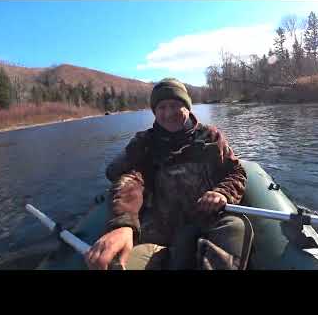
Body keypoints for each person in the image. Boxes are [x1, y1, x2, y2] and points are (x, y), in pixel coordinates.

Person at [85, 78, 253, 270]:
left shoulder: (211, 137)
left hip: (207, 218)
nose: (168, 113)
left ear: (187, 107)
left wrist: (222, 192)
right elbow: (131, 180)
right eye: (162, 107)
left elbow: (236, 171)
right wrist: (123, 224)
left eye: (175, 105)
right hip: (160, 226)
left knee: (235, 226)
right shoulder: (144, 143)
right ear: (154, 111)